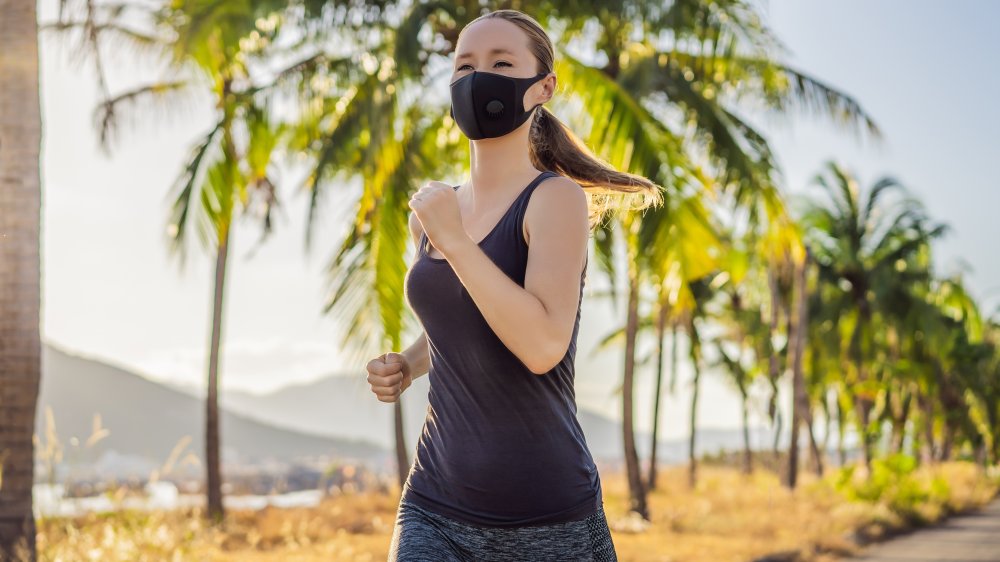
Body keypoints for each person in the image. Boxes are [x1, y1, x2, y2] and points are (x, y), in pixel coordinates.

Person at [365, 8, 662, 562]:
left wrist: (455, 241)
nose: (479, 78)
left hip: (547, 519)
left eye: (502, 62)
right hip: (434, 503)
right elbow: (470, 318)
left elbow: (542, 345)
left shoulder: (554, 200)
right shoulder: (435, 214)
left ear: (541, 87)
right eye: (464, 66)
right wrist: (408, 364)